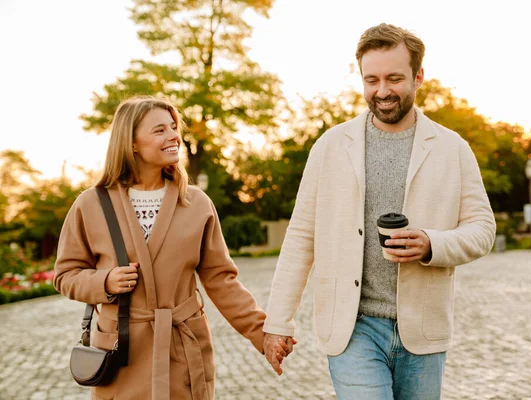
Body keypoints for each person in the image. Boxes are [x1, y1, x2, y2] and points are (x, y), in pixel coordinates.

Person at [262, 23, 496, 399]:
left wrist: (431, 244)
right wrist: (277, 321)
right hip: (353, 329)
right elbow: (302, 235)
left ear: (419, 76)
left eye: (394, 78)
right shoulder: (330, 146)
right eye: (371, 80)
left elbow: (482, 229)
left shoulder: (453, 148)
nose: (382, 91)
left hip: (423, 329)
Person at [54, 96, 285, 399]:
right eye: (159, 130)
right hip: (122, 351)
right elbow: (65, 275)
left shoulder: (197, 203)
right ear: (132, 142)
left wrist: (262, 332)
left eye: (174, 127)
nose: (174, 136)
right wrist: (105, 282)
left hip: (183, 351)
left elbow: (221, 279)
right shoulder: (92, 203)